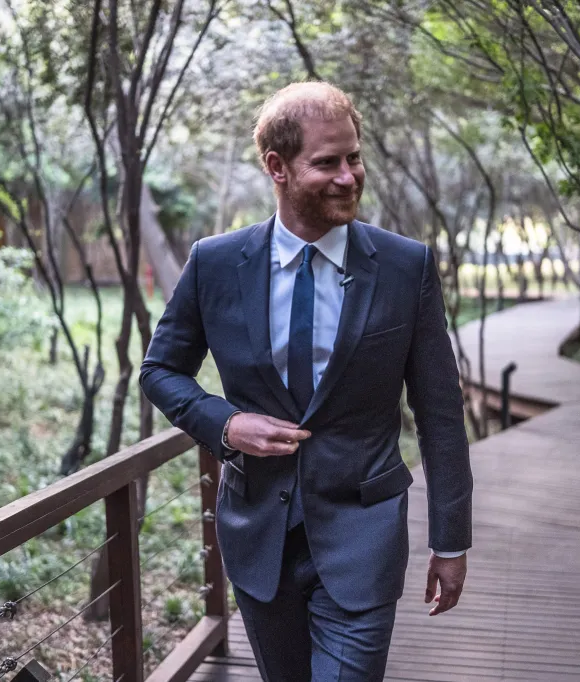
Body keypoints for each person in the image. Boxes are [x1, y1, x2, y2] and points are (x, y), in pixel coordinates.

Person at [139, 81, 472, 681]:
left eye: (354, 157)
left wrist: (450, 541)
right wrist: (228, 424)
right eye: (327, 163)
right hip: (258, 535)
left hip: (362, 538)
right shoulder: (215, 263)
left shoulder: (405, 266)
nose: (349, 176)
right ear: (278, 167)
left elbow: (440, 413)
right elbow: (160, 369)